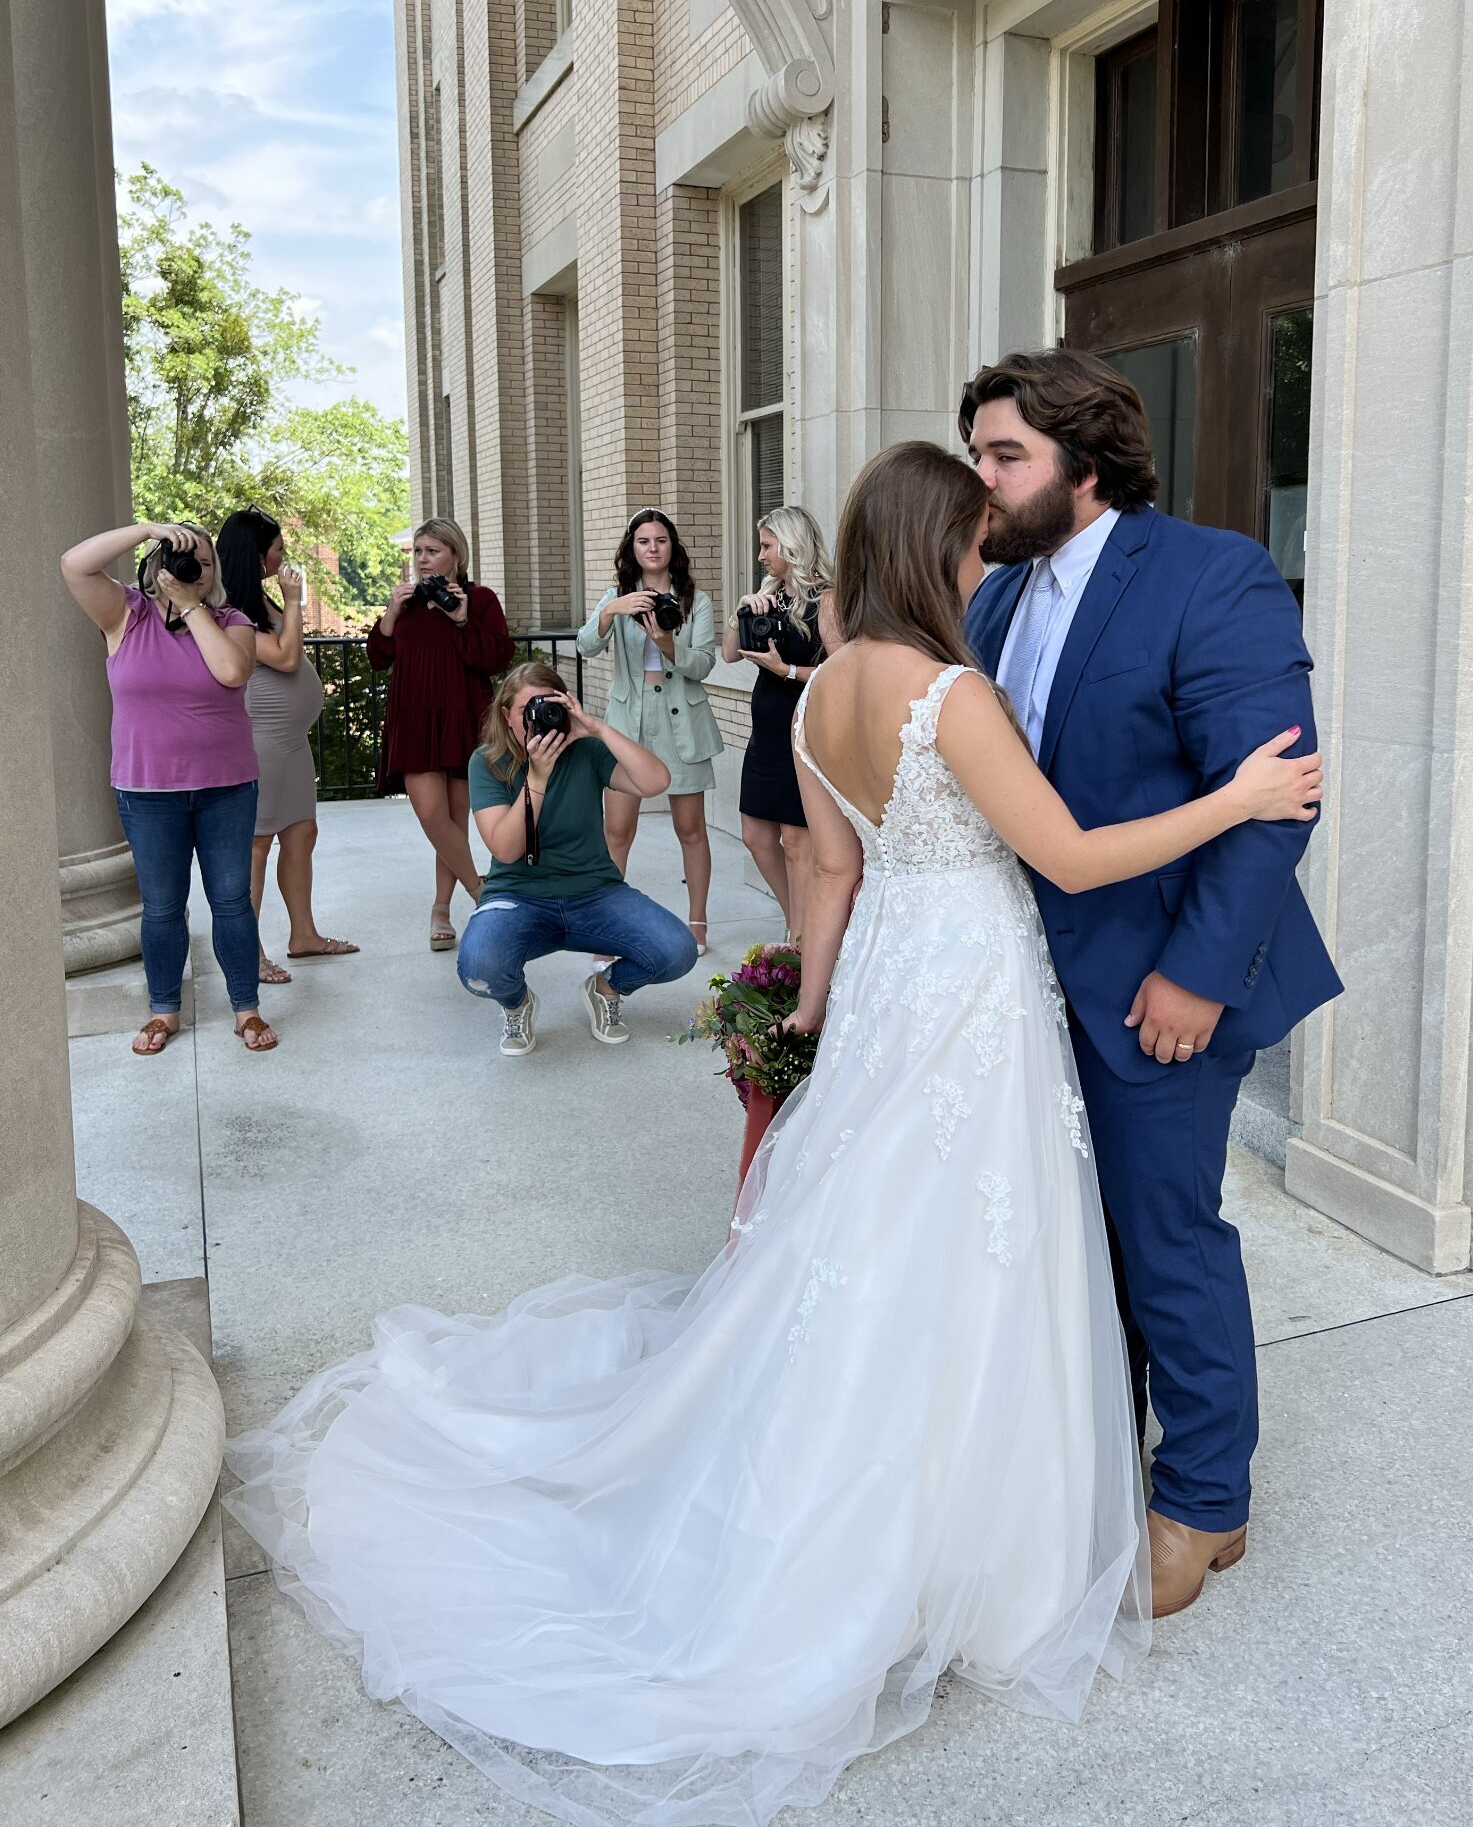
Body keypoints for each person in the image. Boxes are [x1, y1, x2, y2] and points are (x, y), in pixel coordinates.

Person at [225, 440, 1321, 1825]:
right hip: (977, 991)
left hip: (885, 996)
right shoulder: (951, 692)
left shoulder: (809, 706)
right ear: (943, 547)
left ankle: (876, 1500)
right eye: (979, 529)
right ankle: (956, 1540)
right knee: (969, 1241)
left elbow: (829, 876)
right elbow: (1067, 856)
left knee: (872, 1238)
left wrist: (811, 1016)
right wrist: (1233, 799)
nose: (993, 553)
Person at [961, 349, 1343, 1620]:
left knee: (1165, 1242)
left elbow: (1273, 801)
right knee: (1075, 1246)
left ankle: (1204, 1499)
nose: (985, 478)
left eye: (1006, 454)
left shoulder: (1208, 571)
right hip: (1025, 990)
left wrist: (1192, 976)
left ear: (1083, 457)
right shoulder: (998, 604)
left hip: (1159, 991)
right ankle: (1095, 1465)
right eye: (976, 455)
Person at [60, 520, 280, 1054]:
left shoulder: (233, 621)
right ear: (154, 567)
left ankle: (245, 1010)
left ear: (215, 575)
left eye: (204, 564)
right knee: (161, 905)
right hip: (146, 789)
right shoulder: (123, 616)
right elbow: (74, 564)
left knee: (230, 901)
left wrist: (190, 606)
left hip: (227, 788)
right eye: (182, 559)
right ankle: (163, 1012)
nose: (193, 570)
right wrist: (146, 530)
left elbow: (231, 671)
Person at [454, 661, 698, 1053]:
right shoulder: (488, 762)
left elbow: (656, 782)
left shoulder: (586, 751)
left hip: (595, 893)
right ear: (506, 716)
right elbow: (506, 849)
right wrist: (536, 777)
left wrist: (596, 727)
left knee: (677, 951)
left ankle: (606, 988)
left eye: (550, 706)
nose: (540, 718)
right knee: (480, 967)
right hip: (518, 896)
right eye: (528, 710)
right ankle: (517, 1003)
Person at [216, 506, 357, 984]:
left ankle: (304, 936)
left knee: (301, 834)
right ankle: (248, 953)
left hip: (290, 744)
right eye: (277, 548)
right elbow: (287, 657)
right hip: (262, 743)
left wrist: (285, 602)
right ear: (257, 555)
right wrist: (294, 599)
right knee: (257, 845)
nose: (284, 556)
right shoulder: (228, 609)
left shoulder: (260, 601)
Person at [577, 510, 724, 955]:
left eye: (661, 540)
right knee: (617, 830)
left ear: (672, 547)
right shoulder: (616, 597)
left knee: (691, 829)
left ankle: (697, 923)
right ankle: (606, 924)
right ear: (632, 549)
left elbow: (703, 665)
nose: (653, 548)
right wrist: (612, 611)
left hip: (683, 720)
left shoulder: (694, 600)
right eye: (644, 541)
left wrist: (666, 642)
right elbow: (586, 646)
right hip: (629, 723)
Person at [367, 516, 513, 951]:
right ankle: (480, 891)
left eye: (432, 551)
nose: (423, 559)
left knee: (453, 819)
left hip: (463, 716)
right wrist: (391, 613)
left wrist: (463, 619)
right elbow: (378, 657)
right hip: (414, 718)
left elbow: (496, 658)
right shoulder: (406, 603)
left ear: (455, 555)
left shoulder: (480, 599)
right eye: (418, 551)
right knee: (432, 815)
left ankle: (440, 910)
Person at [720, 505, 842, 938]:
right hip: (766, 733)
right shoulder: (772, 595)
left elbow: (844, 670)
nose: (761, 556)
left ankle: (803, 937)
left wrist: (786, 671)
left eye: (767, 546)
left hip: (804, 731)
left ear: (793, 547)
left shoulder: (826, 597)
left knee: (796, 841)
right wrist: (742, 611)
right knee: (755, 834)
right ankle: (797, 920)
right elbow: (729, 654)